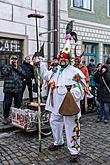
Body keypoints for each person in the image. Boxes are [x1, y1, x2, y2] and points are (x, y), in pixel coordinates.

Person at [36, 37, 86, 162]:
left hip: (69, 105)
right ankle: (58, 142)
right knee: (54, 121)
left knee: (71, 126)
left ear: (69, 60)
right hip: (56, 104)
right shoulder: (56, 70)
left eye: (65, 58)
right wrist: (40, 63)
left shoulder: (76, 72)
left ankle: (74, 150)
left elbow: (83, 86)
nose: (62, 60)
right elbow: (45, 75)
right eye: (61, 58)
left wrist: (73, 93)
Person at [2, 55, 26, 125]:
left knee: (18, 104)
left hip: (17, 89)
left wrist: (17, 68)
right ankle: (6, 117)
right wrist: (10, 65)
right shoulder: (6, 66)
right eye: (12, 59)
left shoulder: (19, 67)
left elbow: (25, 74)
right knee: (7, 104)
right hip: (8, 89)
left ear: (17, 60)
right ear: (10, 59)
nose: (14, 60)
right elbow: (4, 73)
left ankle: (16, 118)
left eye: (15, 59)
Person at [74, 46, 90, 114]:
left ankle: (80, 115)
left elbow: (87, 79)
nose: (77, 62)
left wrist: (86, 86)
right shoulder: (72, 68)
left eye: (78, 61)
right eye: (76, 61)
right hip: (74, 87)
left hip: (82, 87)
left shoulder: (84, 68)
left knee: (81, 102)